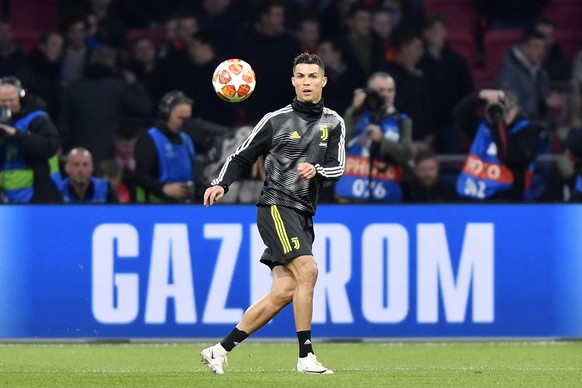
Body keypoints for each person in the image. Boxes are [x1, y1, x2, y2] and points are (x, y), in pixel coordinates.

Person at [201, 53, 345, 375]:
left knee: (283, 292)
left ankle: (219, 349)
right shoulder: (275, 120)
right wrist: (221, 183)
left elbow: (338, 168)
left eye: (312, 76)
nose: (306, 82)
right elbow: (240, 157)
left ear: (323, 81)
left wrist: (317, 170)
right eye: (300, 76)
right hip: (276, 207)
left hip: (304, 213)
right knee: (308, 271)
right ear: (293, 81)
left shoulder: (334, 122)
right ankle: (306, 356)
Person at [336, 71, 412, 202]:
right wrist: (353, 111)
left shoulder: (402, 121)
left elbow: (406, 154)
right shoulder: (355, 115)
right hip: (348, 197)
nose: (386, 95)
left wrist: (382, 141)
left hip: (386, 198)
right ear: (369, 93)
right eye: (381, 90)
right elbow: (337, 144)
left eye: (390, 90)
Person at [454, 89, 539, 201]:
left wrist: (497, 124)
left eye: (506, 111)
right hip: (471, 195)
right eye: (498, 111)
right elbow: (459, 113)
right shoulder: (482, 127)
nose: (501, 115)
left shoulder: (527, 131)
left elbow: (510, 156)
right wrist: (481, 96)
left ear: (516, 110)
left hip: (506, 200)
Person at [0, 76, 63, 203]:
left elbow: (51, 146)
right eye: (2, 101)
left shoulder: (37, 118)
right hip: (7, 196)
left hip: (41, 192)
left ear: (21, 96)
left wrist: (17, 134)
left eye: (11, 100)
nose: (7, 105)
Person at [419, 14, 474, 154]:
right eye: (431, 29)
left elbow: (467, 91)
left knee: (451, 160)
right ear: (424, 33)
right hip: (424, 124)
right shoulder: (417, 62)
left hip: (450, 122)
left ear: (445, 32)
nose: (435, 33)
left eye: (439, 29)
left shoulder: (457, 61)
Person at [134, 91, 196, 203]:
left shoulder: (186, 140)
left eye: (188, 119)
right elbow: (140, 175)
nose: (185, 124)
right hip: (154, 207)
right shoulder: (149, 139)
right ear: (165, 115)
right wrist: (162, 188)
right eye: (180, 118)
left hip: (183, 206)